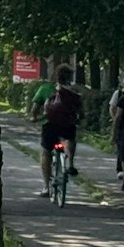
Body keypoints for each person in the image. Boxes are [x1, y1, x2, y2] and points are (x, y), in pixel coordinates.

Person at [39, 65, 83, 194]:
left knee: (46, 152)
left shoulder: (45, 89)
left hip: (50, 125)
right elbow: (81, 111)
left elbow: (34, 109)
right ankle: (70, 164)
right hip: (68, 125)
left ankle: (46, 187)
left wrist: (35, 117)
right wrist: (79, 119)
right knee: (70, 139)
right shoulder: (74, 91)